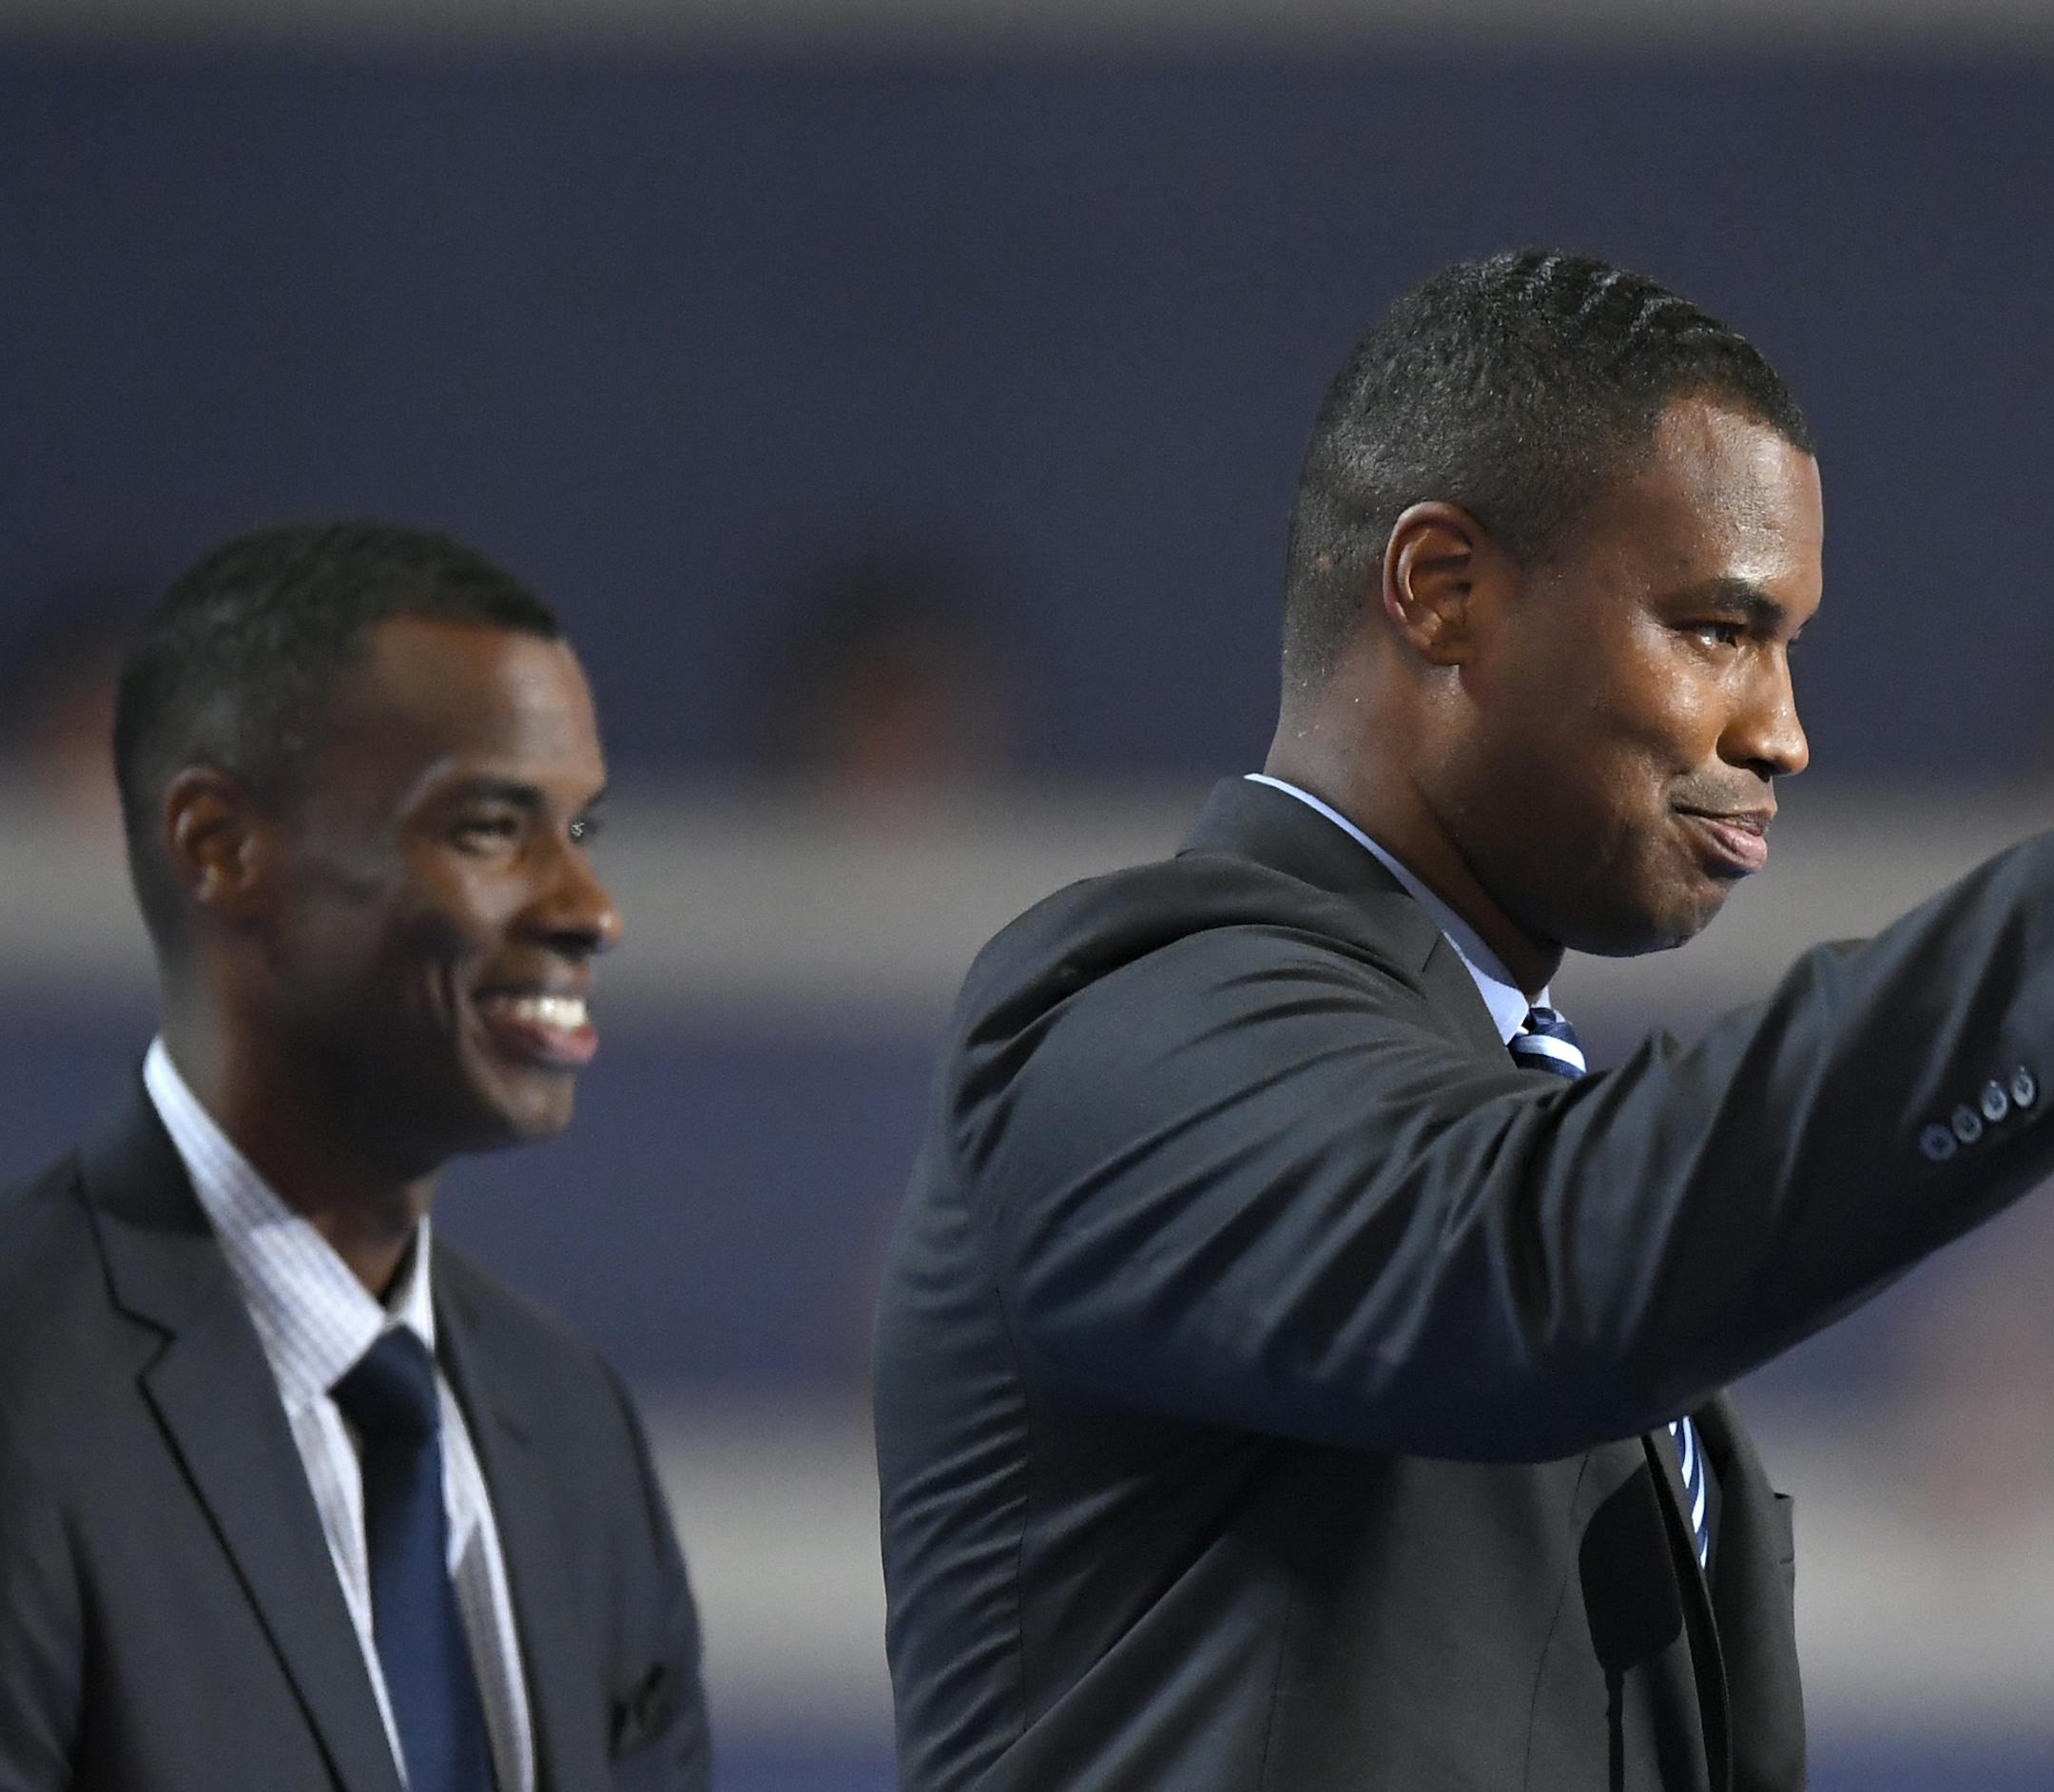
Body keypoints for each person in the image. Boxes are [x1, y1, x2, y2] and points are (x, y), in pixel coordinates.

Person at [872, 249, 2054, 1791]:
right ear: (1444, 591)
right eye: (1717, 628)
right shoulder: (1117, 1025)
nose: (1783, 731)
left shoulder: (1477, 1114)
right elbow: (1552, 1268)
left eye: (1788, 647)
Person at [0, 521, 711, 1791]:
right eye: (493, 826)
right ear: (221, 847)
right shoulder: (25, 1384)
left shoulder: (570, 1420)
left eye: (582, 829)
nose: (586, 907)